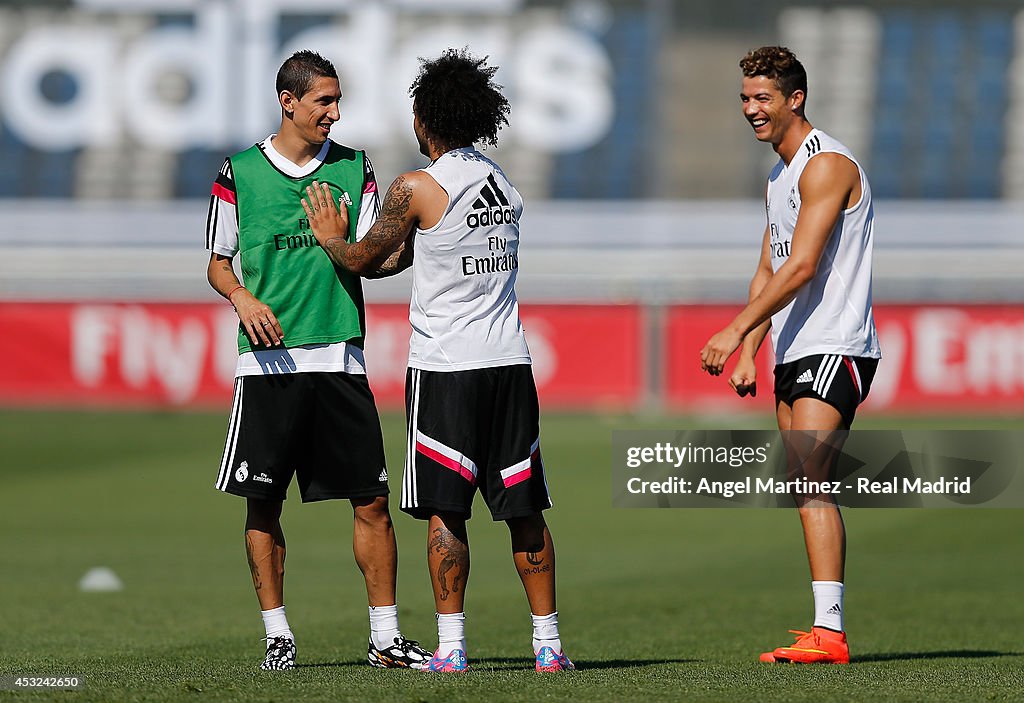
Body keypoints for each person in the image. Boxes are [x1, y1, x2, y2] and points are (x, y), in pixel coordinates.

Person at [298, 48, 574, 674]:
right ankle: (549, 645)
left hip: (446, 368)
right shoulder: (505, 185)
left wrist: (329, 238)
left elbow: (367, 259)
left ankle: (451, 649)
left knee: (447, 510)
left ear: (427, 117)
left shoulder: (415, 186)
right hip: (509, 363)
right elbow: (426, 255)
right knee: (523, 508)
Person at [205, 49, 429, 671]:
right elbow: (218, 262)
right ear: (289, 102)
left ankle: (385, 638)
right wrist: (242, 296)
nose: (335, 112)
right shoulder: (239, 172)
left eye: (337, 100)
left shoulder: (357, 168)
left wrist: (414, 250)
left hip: (340, 358)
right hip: (268, 365)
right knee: (263, 505)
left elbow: (375, 257)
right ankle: (278, 633)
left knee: (373, 502)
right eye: (323, 100)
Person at [699, 46, 881, 665]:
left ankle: (831, 633)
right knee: (804, 485)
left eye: (762, 99)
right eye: (745, 98)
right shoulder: (779, 174)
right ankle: (823, 627)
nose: (750, 109)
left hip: (835, 341)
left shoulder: (825, 165)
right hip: (797, 347)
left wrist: (731, 330)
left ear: (794, 99)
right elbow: (767, 267)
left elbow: (802, 266)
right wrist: (751, 348)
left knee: (812, 479)